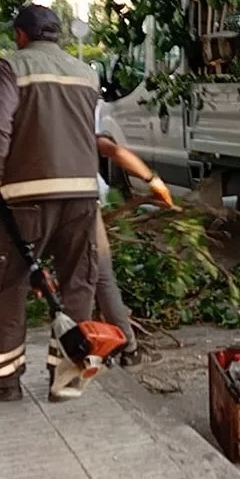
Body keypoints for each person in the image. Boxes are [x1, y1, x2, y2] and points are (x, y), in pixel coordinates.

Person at [0, 4, 103, 403]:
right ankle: (66, 376)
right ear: (58, 36)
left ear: (21, 35)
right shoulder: (87, 73)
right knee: (78, 280)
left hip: (26, 198)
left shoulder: (11, 67)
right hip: (82, 193)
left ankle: (5, 377)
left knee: (8, 282)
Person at [92, 102, 174, 366]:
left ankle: (88, 351)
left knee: (74, 278)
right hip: (79, 204)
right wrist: (153, 181)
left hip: (36, 205)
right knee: (100, 276)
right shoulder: (76, 123)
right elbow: (112, 149)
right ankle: (124, 347)